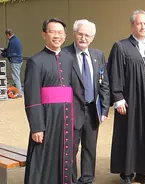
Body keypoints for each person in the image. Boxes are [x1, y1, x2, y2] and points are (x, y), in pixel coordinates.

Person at [107, 9, 145, 184]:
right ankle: (127, 172)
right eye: (139, 23)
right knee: (129, 134)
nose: (142, 27)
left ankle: (143, 172)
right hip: (130, 99)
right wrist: (117, 97)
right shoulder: (121, 46)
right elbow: (114, 72)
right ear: (132, 25)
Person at [23, 18, 75, 184]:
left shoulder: (69, 59)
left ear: (65, 36)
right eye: (52, 32)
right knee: (42, 157)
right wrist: (36, 126)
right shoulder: (35, 61)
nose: (57, 36)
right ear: (44, 34)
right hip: (46, 118)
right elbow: (31, 96)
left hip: (66, 117)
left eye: (60, 33)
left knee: (65, 155)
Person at [63, 19, 110, 184]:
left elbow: (104, 83)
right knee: (70, 149)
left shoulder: (98, 55)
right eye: (80, 34)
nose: (84, 38)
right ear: (75, 34)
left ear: (93, 37)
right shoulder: (64, 54)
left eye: (87, 35)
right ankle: (71, 180)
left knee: (90, 148)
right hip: (72, 111)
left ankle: (87, 179)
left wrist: (104, 110)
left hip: (92, 111)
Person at [1, 29, 23, 98]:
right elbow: (10, 49)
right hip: (19, 60)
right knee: (17, 77)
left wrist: (2, 53)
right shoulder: (15, 39)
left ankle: (19, 93)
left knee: (16, 77)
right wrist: (3, 49)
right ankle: (18, 91)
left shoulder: (12, 41)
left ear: (8, 35)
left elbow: (10, 53)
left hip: (15, 61)